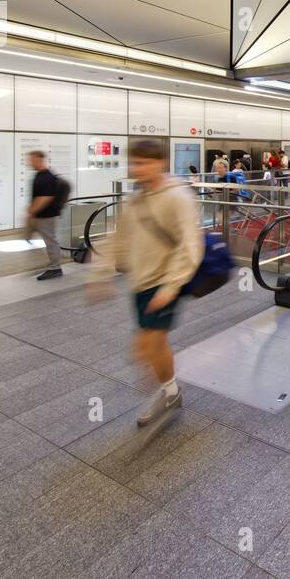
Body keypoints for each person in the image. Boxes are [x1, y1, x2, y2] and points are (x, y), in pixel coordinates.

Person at [87, 139, 202, 426]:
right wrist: (101, 273)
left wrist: (170, 288)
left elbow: (190, 247)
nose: (136, 168)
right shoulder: (136, 199)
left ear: (160, 163)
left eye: (143, 162)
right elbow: (119, 237)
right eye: (134, 162)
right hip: (140, 283)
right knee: (148, 348)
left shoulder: (178, 198)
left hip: (163, 284)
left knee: (148, 346)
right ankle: (168, 386)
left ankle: (170, 391)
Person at [25, 151, 70, 280]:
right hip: (38, 215)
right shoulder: (39, 175)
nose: (29, 162)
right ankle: (47, 262)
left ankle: (55, 268)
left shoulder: (47, 177)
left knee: (51, 242)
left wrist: (32, 211)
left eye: (32, 160)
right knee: (28, 237)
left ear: (40, 160)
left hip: (47, 216)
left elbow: (45, 198)